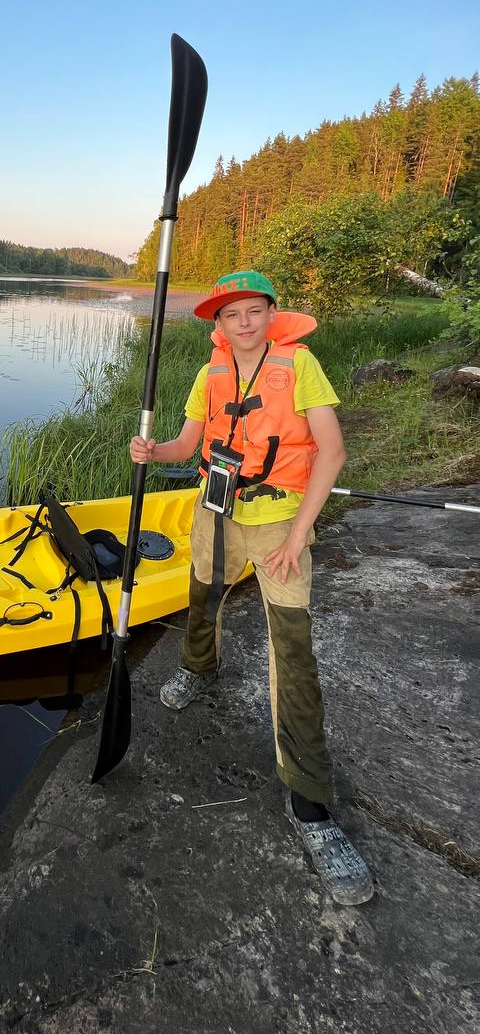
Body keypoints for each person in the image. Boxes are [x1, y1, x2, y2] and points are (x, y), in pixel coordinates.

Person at [129, 270, 374, 906]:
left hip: (278, 528)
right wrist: (155, 454)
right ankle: (197, 667)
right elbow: (190, 443)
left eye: (254, 311)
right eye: (231, 313)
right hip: (214, 515)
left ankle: (313, 809)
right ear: (217, 323)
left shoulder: (300, 364)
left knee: (292, 655)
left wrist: (298, 533)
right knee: (201, 603)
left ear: (270, 314)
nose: (243, 322)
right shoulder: (209, 374)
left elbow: (333, 451)